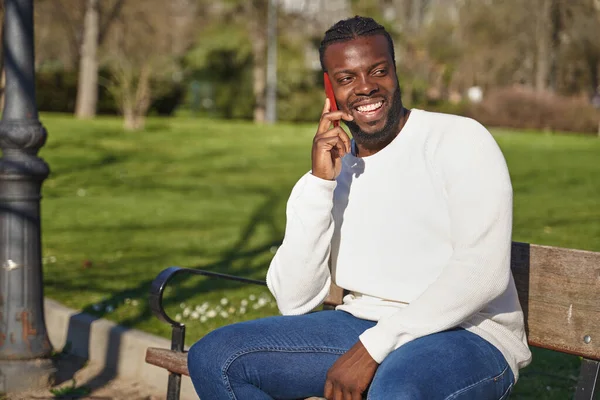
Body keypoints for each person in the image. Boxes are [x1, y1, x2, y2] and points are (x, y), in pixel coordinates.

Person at [187, 16, 532, 400]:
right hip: (363, 325)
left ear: (396, 72)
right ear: (330, 88)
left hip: (469, 334)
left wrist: (376, 345)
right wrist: (320, 184)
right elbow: (295, 299)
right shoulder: (332, 173)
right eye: (347, 78)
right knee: (215, 357)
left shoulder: (458, 140)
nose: (366, 87)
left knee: (396, 388)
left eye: (378, 71)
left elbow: (482, 271)